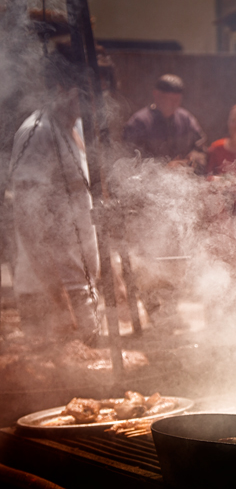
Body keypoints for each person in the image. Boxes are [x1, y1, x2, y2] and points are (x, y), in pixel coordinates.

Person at [8, 47, 100, 351]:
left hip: (79, 282)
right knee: (50, 376)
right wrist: (56, 296)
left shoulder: (73, 128)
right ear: (60, 89)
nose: (87, 102)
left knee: (92, 376)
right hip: (50, 287)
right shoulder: (38, 132)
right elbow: (27, 215)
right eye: (80, 94)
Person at [122, 74, 206, 170]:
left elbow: (201, 149)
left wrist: (190, 160)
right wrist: (164, 168)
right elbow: (129, 161)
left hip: (183, 179)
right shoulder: (139, 123)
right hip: (149, 182)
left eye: (177, 100)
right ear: (156, 95)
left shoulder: (186, 119)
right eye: (170, 99)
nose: (174, 104)